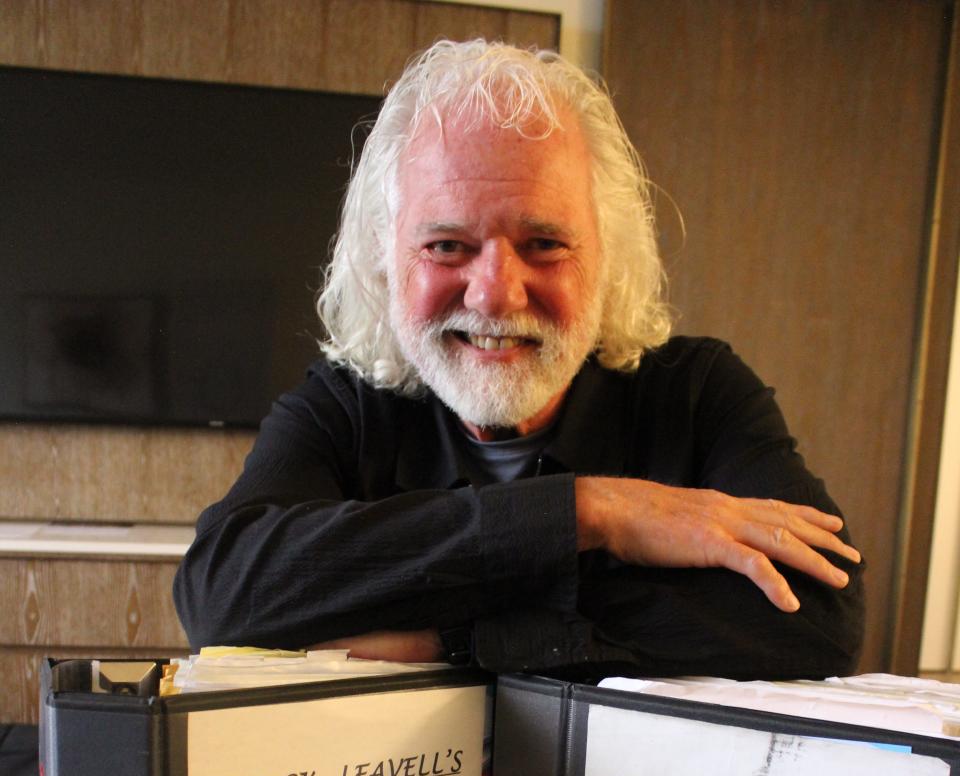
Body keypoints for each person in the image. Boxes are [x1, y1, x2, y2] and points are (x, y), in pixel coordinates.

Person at [174, 39, 863, 679]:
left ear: (607, 257)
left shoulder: (701, 396)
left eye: (544, 244)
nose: (497, 294)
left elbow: (817, 615)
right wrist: (594, 513)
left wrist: (453, 642)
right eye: (446, 245)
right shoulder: (345, 407)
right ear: (386, 262)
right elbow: (224, 595)